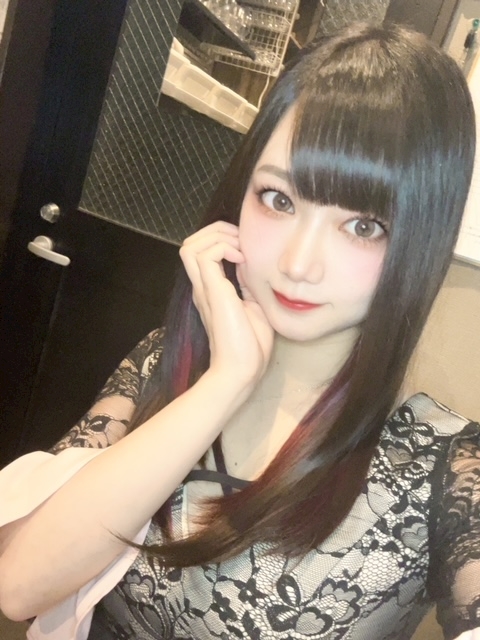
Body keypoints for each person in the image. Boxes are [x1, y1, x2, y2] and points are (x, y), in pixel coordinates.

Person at [0, 21, 479, 640]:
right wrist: (225, 382)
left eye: (364, 226)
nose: (298, 264)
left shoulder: (445, 468)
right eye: (279, 199)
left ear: (422, 239)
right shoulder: (165, 363)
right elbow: (20, 585)